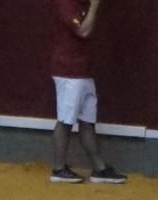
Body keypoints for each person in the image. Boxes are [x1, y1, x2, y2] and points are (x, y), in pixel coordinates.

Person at [50, 0, 128, 184]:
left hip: (82, 69)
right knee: (65, 120)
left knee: (87, 121)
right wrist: (94, 5)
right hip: (68, 70)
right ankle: (58, 168)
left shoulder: (78, 3)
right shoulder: (66, 3)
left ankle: (99, 168)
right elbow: (83, 31)